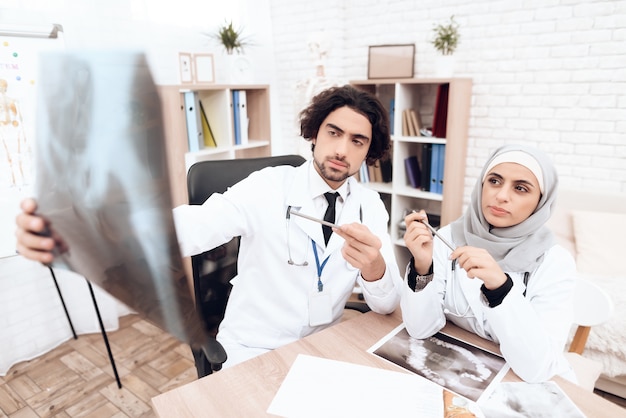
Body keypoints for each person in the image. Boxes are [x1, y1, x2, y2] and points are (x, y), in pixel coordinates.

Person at [15, 85, 403, 371]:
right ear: (315, 133)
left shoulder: (370, 207)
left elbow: (386, 304)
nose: (341, 150)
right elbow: (194, 225)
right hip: (255, 349)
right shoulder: (267, 185)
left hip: (322, 352)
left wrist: (375, 269)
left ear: (369, 152)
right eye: (333, 133)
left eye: (357, 141)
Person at [400, 144, 577, 384]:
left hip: (522, 384)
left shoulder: (555, 262)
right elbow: (420, 329)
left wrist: (500, 288)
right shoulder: (449, 237)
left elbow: (536, 369)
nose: (501, 195)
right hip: (460, 371)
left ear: (540, 202)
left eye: (521, 188)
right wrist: (423, 266)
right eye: (494, 181)